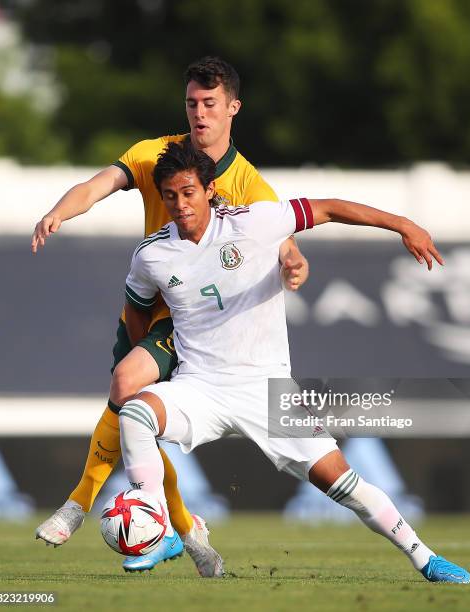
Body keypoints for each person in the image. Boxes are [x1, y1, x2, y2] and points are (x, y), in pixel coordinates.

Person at [117, 139, 470, 583]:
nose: (179, 204)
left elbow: (328, 208)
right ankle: (158, 526)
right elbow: (136, 305)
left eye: (188, 192)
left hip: (266, 389)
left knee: (342, 483)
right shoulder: (152, 254)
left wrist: (402, 224)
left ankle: (424, 557)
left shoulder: (255, 222)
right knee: (136, 412)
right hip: (199, 387)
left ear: (209, 190)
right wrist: (148, 351)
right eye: (169, 195)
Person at [31, 56, 308, 576]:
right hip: (143, 308)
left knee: (125, 383)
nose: (199, 114)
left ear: (232, 109)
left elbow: (285, 244)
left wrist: (293, 263)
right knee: (137, 416)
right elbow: (96, 185)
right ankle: (187, 533)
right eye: (191, 104)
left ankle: (78, 504)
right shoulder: (153, 154)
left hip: (193, 322)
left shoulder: (249, 184)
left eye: (209, 104)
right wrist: (57, 212)